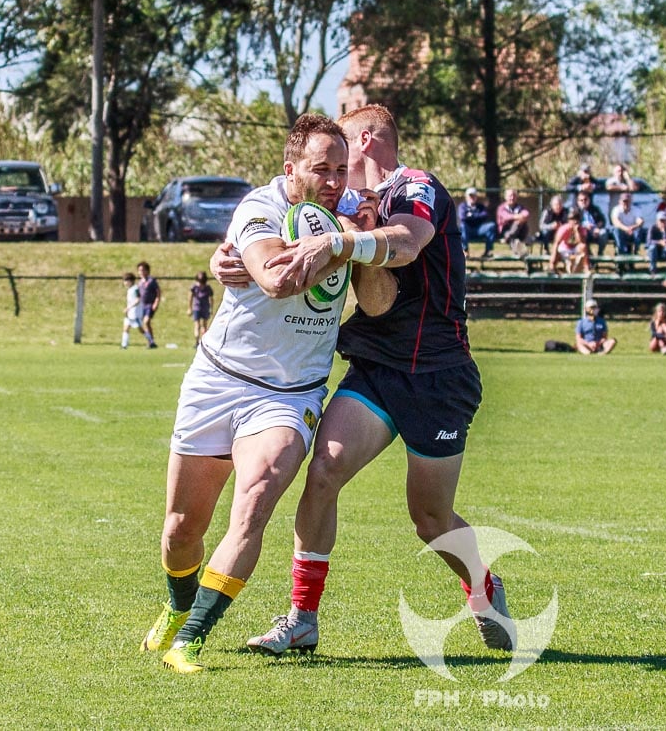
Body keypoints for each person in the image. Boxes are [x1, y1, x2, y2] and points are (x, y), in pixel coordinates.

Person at [240, 104, 515, 656]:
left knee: (430, 519)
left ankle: (483, 587)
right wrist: (234, 259)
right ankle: (302, 618)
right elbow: (365, 287)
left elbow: (409, 243)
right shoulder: (345, 204)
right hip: (376, 369)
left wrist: (345, 242)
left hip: (438, 375)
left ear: (364, 138)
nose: (336, 167)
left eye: (343, 147)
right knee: (324, 471)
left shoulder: (416, 185)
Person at [141, 113, 372, 674]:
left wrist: (355, 232)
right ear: (290, 168)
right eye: (322, 169)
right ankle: (176, 608)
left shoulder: (351, 212)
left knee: (256, 500)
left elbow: (380, 277)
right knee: (180, 530)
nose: (335, 181)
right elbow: (276, 279)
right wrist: (344, 243)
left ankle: (191, 638)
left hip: (290, 395)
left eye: (342, 169)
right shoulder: (260, 209)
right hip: (219, 381)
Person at [457, 187, 497, 258]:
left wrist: (471, 216)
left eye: (474, 196)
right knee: (463, 226)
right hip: (467, 230)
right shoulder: (462, 206)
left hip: (479, 229)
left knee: (491, 225)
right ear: (466, 197)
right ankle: (465, 250)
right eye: (470, 196)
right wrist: (477, 216)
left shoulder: (480, 206)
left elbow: (485, 215)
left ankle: (488, 251)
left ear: (476, 197)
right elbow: (462, 217)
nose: (472, 197)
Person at [550, 208, 590, 273]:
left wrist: (577, 231)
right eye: (572, 219)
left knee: (583, 246)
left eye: (576, 219)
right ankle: (552, 267)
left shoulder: (582, 229)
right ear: (568, 220)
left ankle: (586, 268)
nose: (575, 221)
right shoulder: (563, 229)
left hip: (575, 249)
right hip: (564, 249)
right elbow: (556, 243)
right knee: (556, 248)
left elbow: (581, 242)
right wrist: (552, 261)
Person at [496, 187, 531, 257]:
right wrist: (518, 217)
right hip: (505, 231)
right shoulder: (501, 208)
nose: (512, 198)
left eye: (514, 196)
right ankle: (522, 252)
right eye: (510, 196)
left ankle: (508, 238)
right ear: (505, 197)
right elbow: (506, 217)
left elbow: (527, 214)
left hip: (520, 233)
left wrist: (519, 218)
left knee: (520, 222)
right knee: (517, 224)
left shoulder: (520, 207)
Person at [575, 189, 609, 256]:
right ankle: (589, 255)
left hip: (595, 230)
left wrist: (597, 228)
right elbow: (574, 223)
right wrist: (584, 226)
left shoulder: (595, 209)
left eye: (585, 199)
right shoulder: (576, 211)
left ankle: (600, 253)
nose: (583, 202)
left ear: (589, 200)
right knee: (581, 233)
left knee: (603, 233)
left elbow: (602, 221)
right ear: (578, 201)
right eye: (581, 200)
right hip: (583, 231)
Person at [136, 261, 161, 349]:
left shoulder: (152, 281)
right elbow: (138, 295)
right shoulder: (140, 283)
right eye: (139, 270)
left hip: (150, 305)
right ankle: (150, 341)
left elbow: (158, 293)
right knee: (144, 324)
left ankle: (151, 341)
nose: (141, 272)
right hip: (142, 305)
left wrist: (156, 303)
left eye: (143, 270)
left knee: (146, 322)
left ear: (147, 271)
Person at [610, 192, 644, 256]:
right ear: (620, 201)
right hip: (621, 231)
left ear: (631, 201)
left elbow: (640, 221)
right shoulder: (616, 209)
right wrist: (627, 229)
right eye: (624, 201)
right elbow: (616, 222)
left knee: (639, 230)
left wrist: (633, 227)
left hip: (633, 231)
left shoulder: (636, 209)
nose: (626, 203)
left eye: (628, 201)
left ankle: (635, 251)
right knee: (616, 230)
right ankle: (621, 251)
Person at [188, 271, 214, 349]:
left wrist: (211, 309)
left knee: (203, 326)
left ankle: (202, 342)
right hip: (198, 308)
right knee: (198, 325)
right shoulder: (194, 287)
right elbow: (190, 298)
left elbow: (211, 299)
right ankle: (197, 342)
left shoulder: (207, 288)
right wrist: (189, 308)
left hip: (203, 308)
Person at [120, 272, 141, 349]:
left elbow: (138, 299)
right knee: (125, 328)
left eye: (126, 280)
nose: (124, 282)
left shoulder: (135, 289)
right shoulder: (130, 289)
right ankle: (124, 345)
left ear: (131, 281)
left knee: (141, 329)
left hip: (135, 313)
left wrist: (128, 308)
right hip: (129, 313)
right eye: (124, 280)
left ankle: (151, 341)